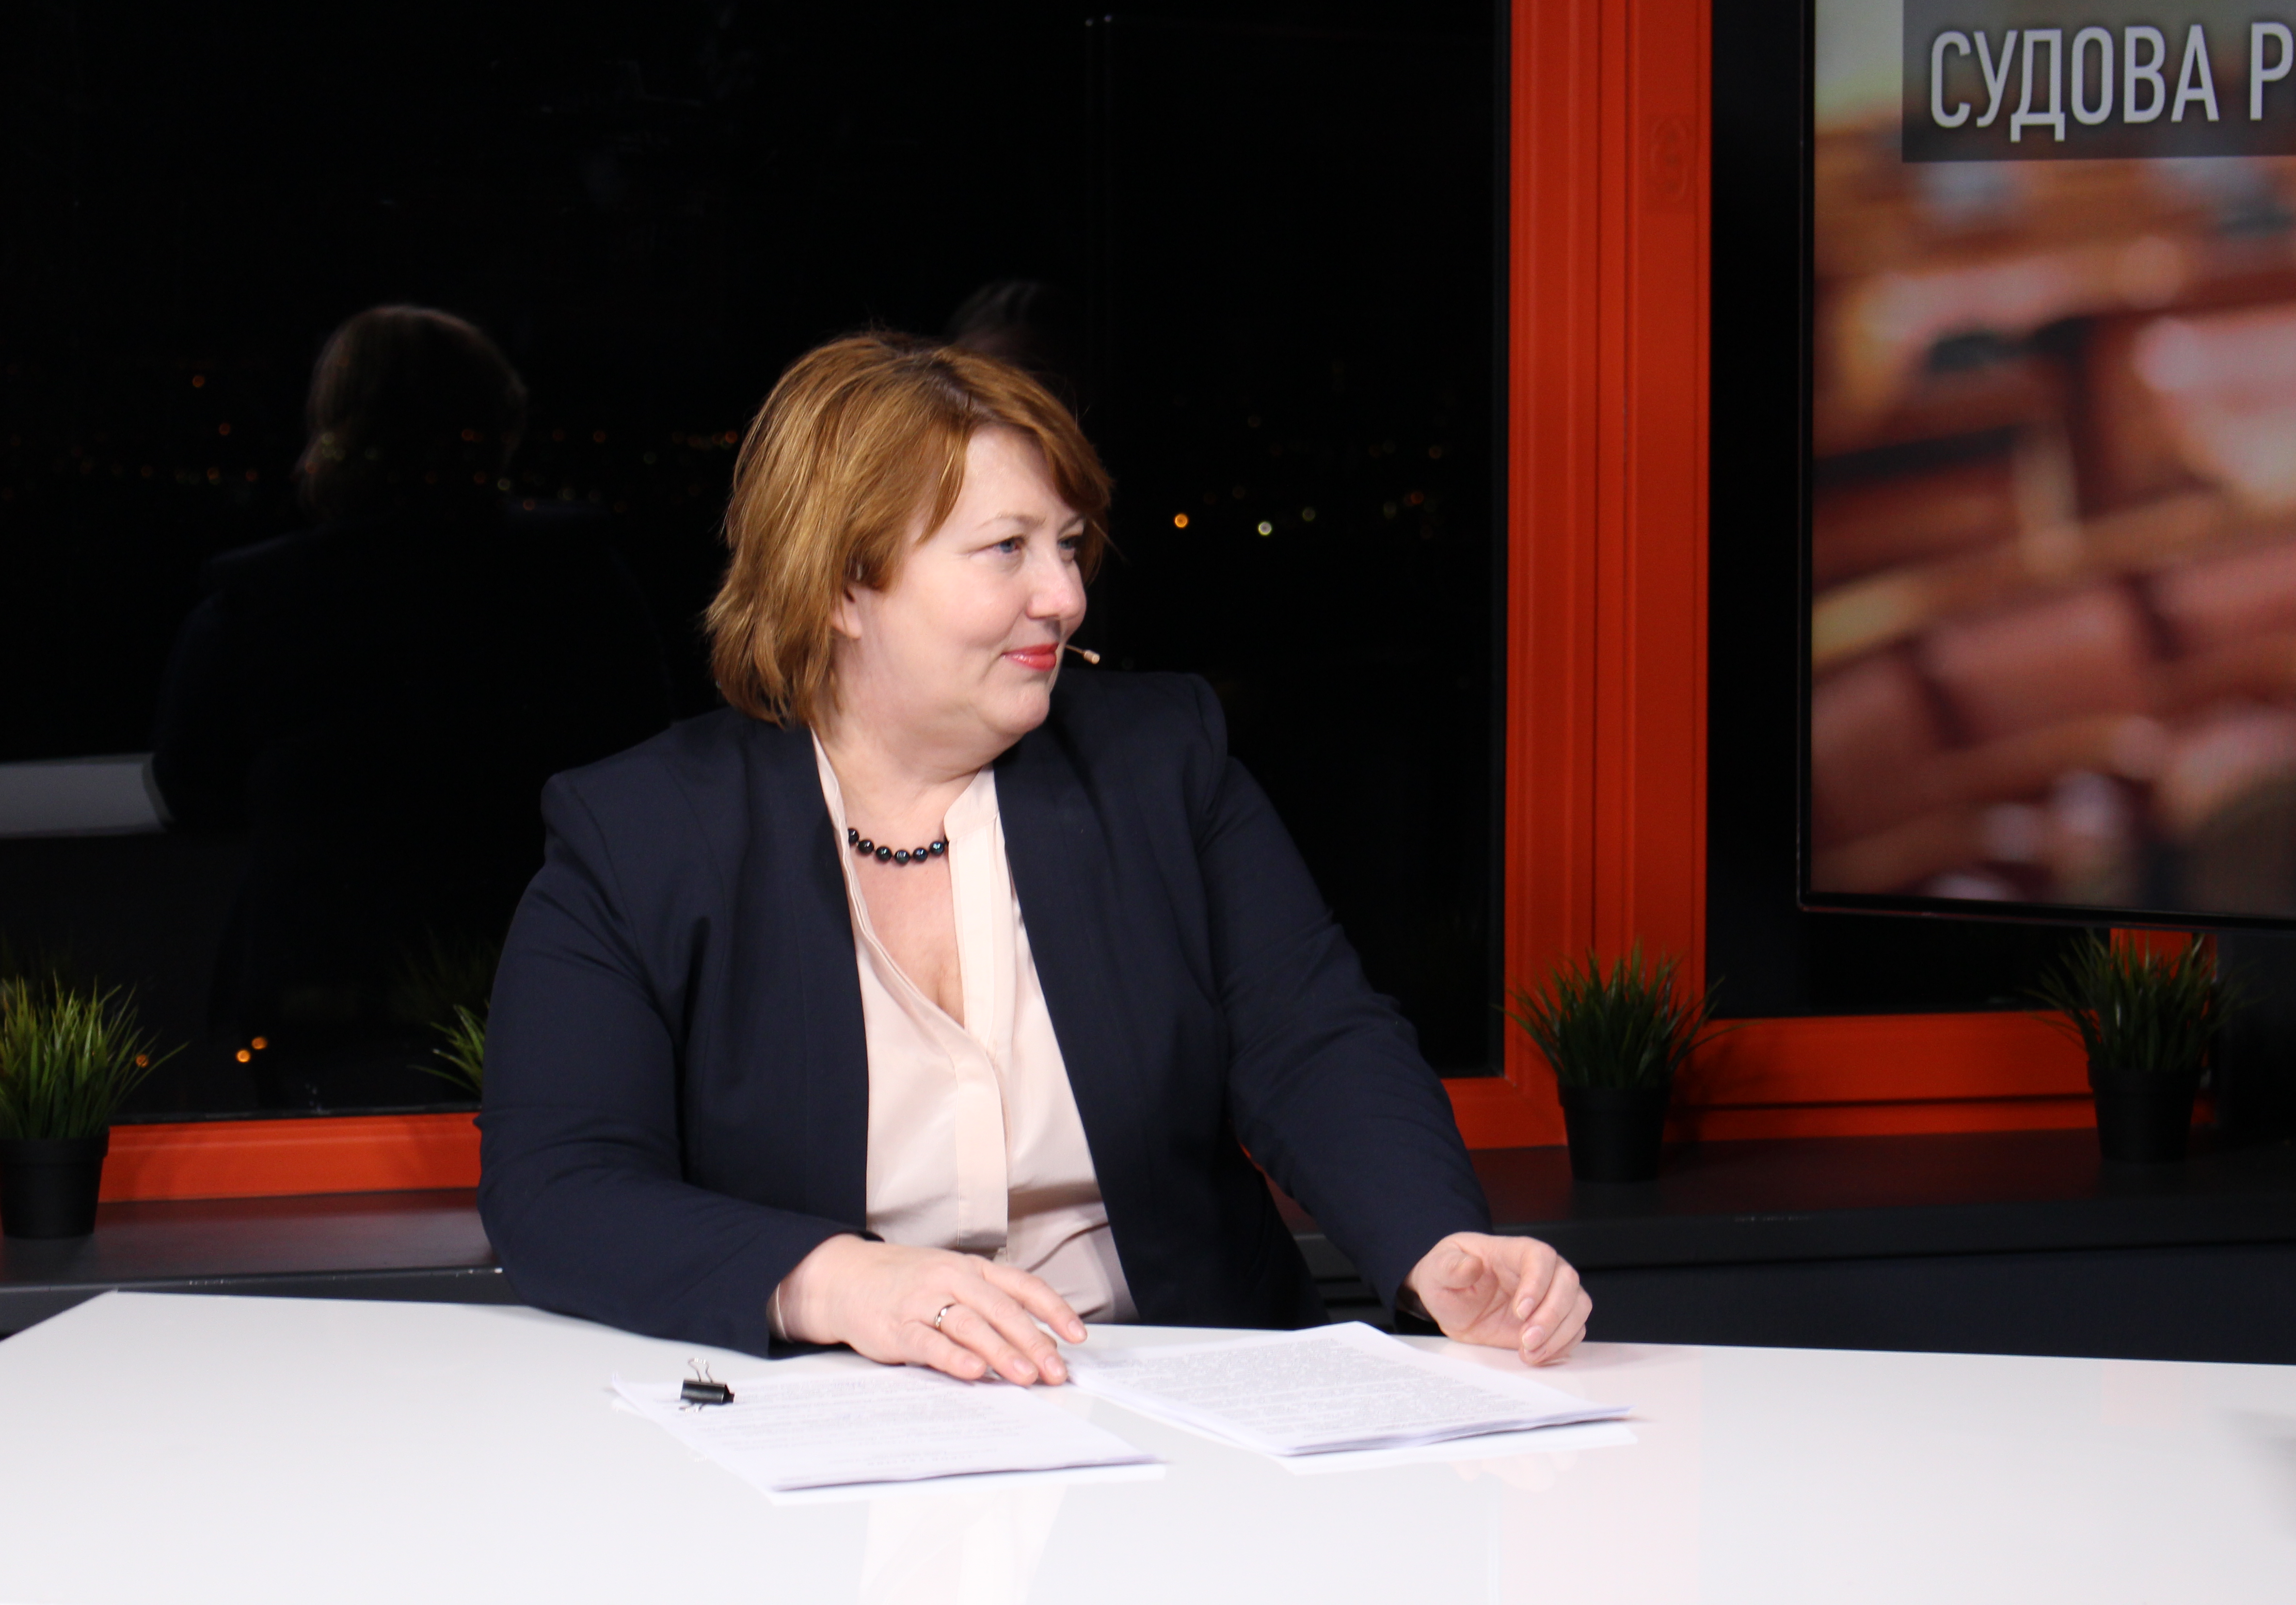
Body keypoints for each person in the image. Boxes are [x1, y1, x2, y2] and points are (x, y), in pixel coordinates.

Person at [477, 333, 1590, 1383]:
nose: (1064, 596)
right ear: (844, 587)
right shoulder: (642, 834)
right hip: (842, 1410)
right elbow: (559, 1188)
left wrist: (1438, 1247)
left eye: (1065, 544)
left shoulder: (1162, 763)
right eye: (1007, 549)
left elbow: (1316, 1043)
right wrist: (837, 1282)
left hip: (1185, 1394)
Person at [153, 305, 671, 1108]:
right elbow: (643, 758)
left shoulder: (255, 606)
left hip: (322, 998)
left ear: (338, 425)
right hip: (542, 982)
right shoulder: (577, 583)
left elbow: (194, 789)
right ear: (496, 423)